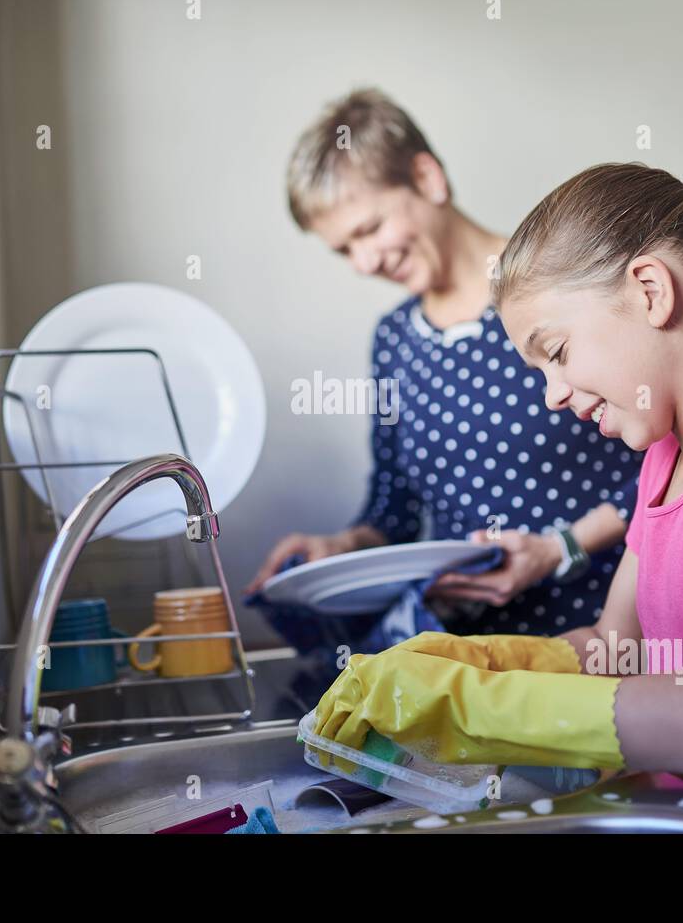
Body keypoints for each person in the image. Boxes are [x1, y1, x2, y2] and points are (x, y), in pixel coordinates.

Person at [311, 163, 683, 830]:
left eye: (557, 351)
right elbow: (612, 648)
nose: (552, 394)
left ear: (651, 290)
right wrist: (461, 658)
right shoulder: (663, 456)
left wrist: (465, 703)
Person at [246, 90, 642, 641]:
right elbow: (395, 509)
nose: (363, 263)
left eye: (368, 230)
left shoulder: (558, 286)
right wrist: (340, 547)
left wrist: (560, 549)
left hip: (605, 632)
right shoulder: (393, 340)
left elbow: (677, 456)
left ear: (428, 178)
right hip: (472, 656)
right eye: (343, 250)